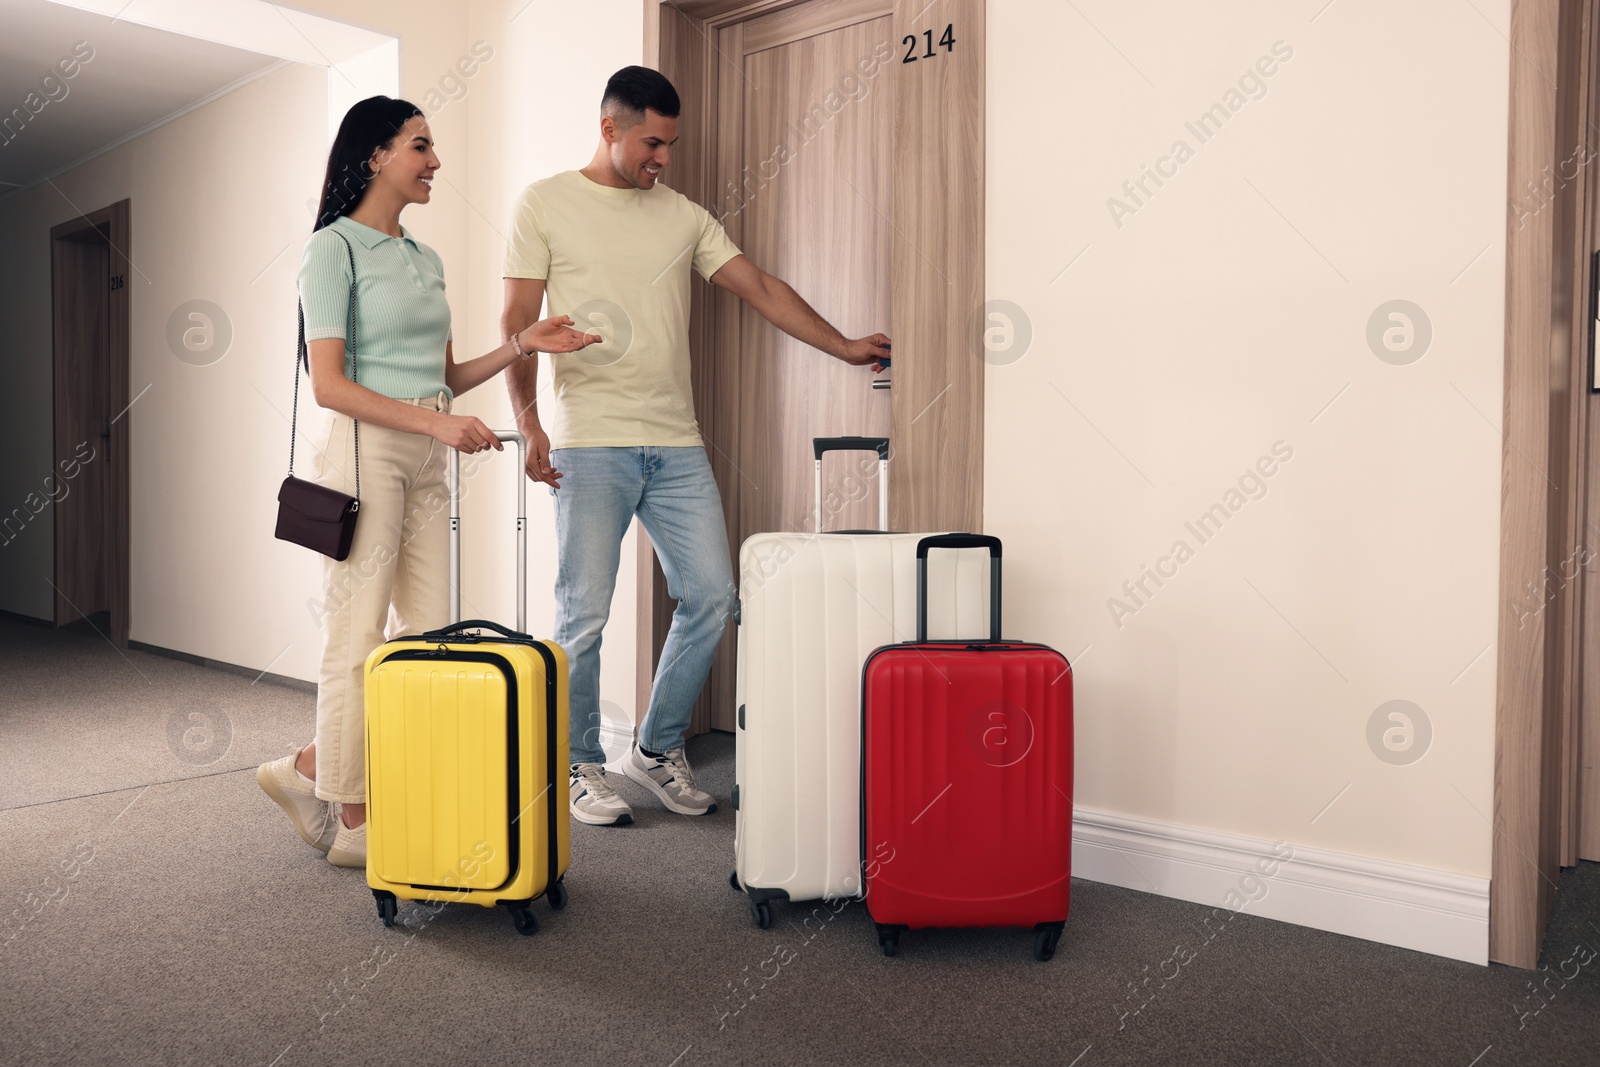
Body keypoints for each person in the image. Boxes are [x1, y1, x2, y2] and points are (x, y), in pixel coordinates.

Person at [501, 67, 891, 827]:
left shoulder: (683, 215)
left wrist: (843, 346)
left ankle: (654, 747)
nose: (664, 159)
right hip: (592, 443)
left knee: (712, 594)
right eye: (653, 142)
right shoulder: (544, 203)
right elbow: (517, 323)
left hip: (675, 442)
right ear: (610, 127)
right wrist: (529, 421)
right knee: (583, 614)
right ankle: (581, 762)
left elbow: (761, 286)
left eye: (671, 145)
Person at [258, 96, 600, 867]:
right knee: (357, 637)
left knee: (429, 636)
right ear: (375, 156)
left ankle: (309, 767)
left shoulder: (423, 257)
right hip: (362, 450)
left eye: (433, 146)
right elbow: (330, 384)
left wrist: (521, 343)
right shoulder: (332, 250)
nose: (435, 161)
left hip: (423, 453)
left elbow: (445, 376)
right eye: (420, 145)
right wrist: (436, 423)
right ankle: (353, 817)